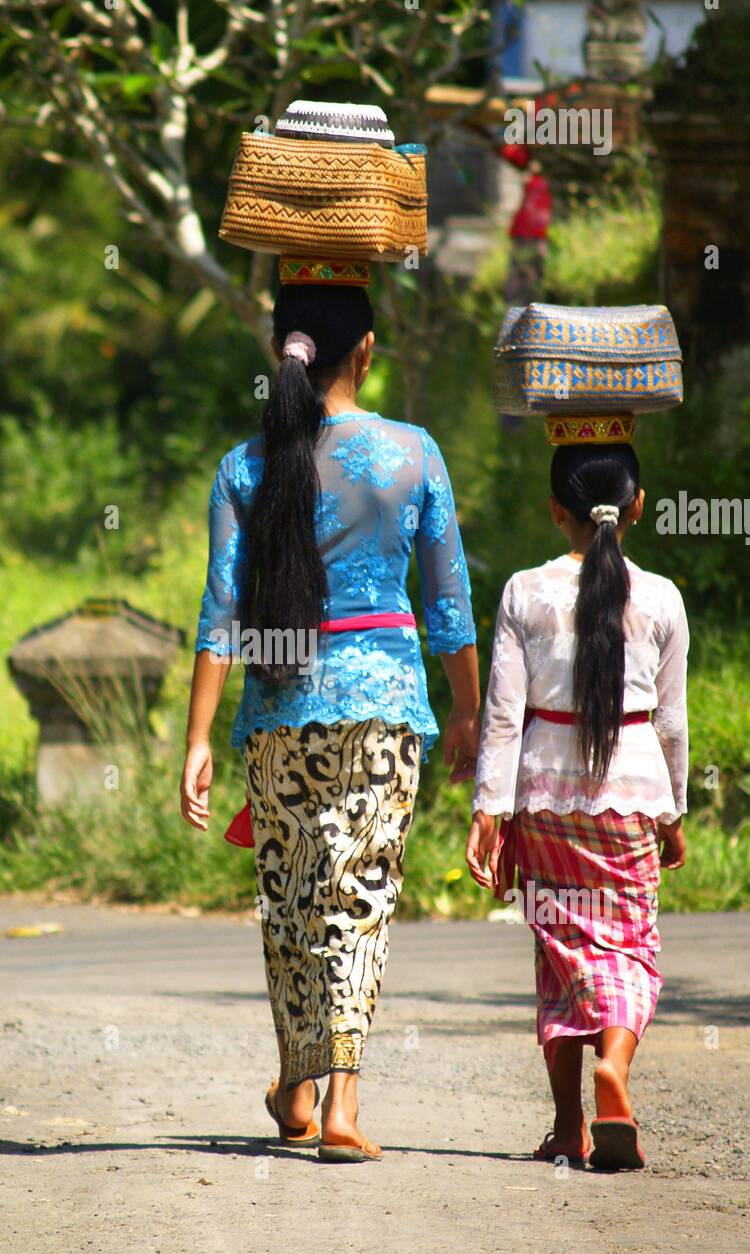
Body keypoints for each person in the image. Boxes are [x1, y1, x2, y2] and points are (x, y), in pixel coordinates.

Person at [180, 282, 479, 1162]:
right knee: (360, 895)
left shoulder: (246, 465)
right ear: (367, 351)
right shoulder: (412, 455)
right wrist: (467, 710)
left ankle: (296, 1087)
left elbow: (220, 616)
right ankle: (341, 1102)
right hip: (384, 707)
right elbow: (449, 606)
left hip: (278, 712)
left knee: (290, 894)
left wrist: (197, 737)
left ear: (285, 353)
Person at [466, 443, 689, 1171]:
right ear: (638, 505)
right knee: (629, 947)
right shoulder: (660, 598)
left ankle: (568, 1127)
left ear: (554, 510)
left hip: (542, 799)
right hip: (631, 796)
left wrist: (488, 812)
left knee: (560, 958)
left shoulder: (523, 593)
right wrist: (674, 811)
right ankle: (614, 1071)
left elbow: (503, 716)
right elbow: (672, 724)